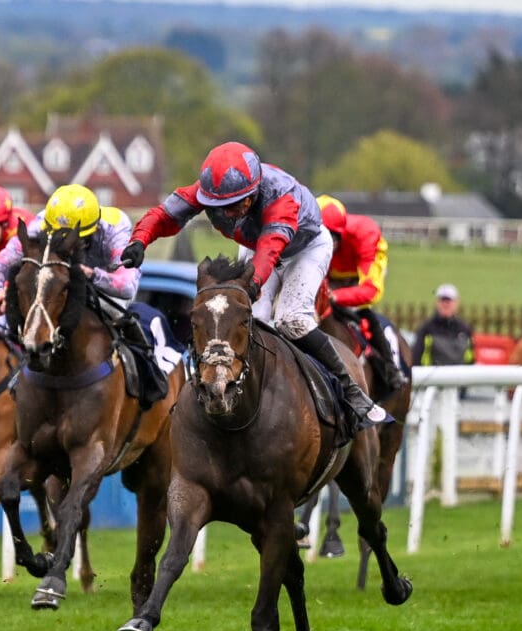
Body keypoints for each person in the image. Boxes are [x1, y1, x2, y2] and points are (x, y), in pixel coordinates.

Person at [122, 142, 389, 425]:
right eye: (220, 206)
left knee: (291, 320)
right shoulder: (210, 191)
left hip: (304, 248)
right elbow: (165, 214)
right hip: (256, 244)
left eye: (236, 205)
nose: (228, 212)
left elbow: (271, 249)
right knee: (252, 320)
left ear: (253, 193)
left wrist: (253, 284)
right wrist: (140, 240)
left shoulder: (280, 197)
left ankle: (351, 389)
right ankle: (236, 395)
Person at [0, 183, 167, 403]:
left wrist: (91, 275)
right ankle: (23, 365)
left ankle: (148, 372)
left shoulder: (116, 228)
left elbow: (126, 287)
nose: (64, 245)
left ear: (93, 230)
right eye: (57, 237)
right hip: (60, 281)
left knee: (119, 315)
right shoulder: (40, 224)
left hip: (102, 282)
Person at [313, 194, 405, 391]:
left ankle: (389, 368)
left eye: (328, 239)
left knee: (359, 311)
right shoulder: (309, 237)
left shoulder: (365, 233)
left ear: (338, 236)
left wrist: (336, 296)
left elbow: (371, 291)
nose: (322, 245)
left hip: (359, 273)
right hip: (330, 272)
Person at [414, 284, 475, 368]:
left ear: (456, 303)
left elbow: (471, 358)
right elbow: (416, 357)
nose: (445, 304)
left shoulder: (465, 329)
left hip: (460, 378)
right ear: (437, 303)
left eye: (449, 301)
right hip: (433, 378)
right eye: (442, 300)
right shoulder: (426, 329)